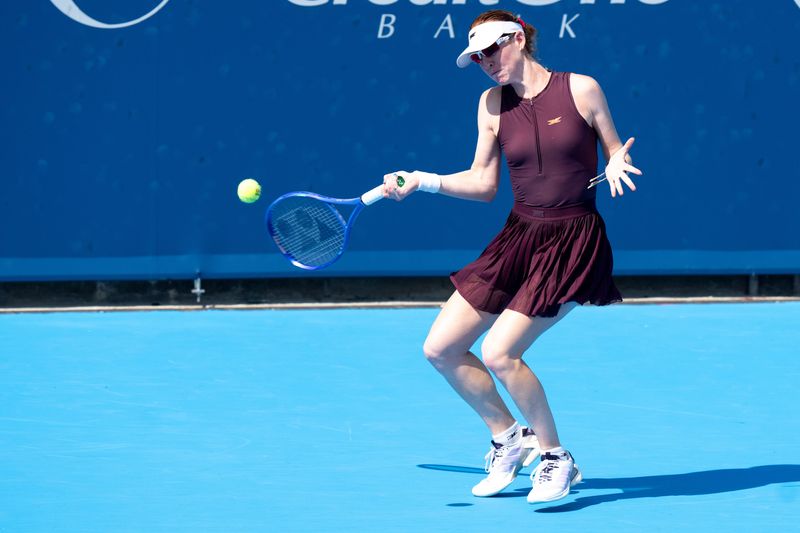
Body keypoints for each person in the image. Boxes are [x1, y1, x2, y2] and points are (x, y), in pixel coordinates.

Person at [383, 10, 642, 504]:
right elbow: (484, 184)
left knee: (501, 352)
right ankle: (508, 436)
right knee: (440, 348)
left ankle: (556, 456)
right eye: (477, 57)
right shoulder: (490, 103)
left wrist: (615, 163)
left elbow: (613, 148)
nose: (486, 63)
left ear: (517, 39)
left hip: (572, 241)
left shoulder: (582, 88)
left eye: (492, 50)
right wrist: (422, 180)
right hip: (518, 238)